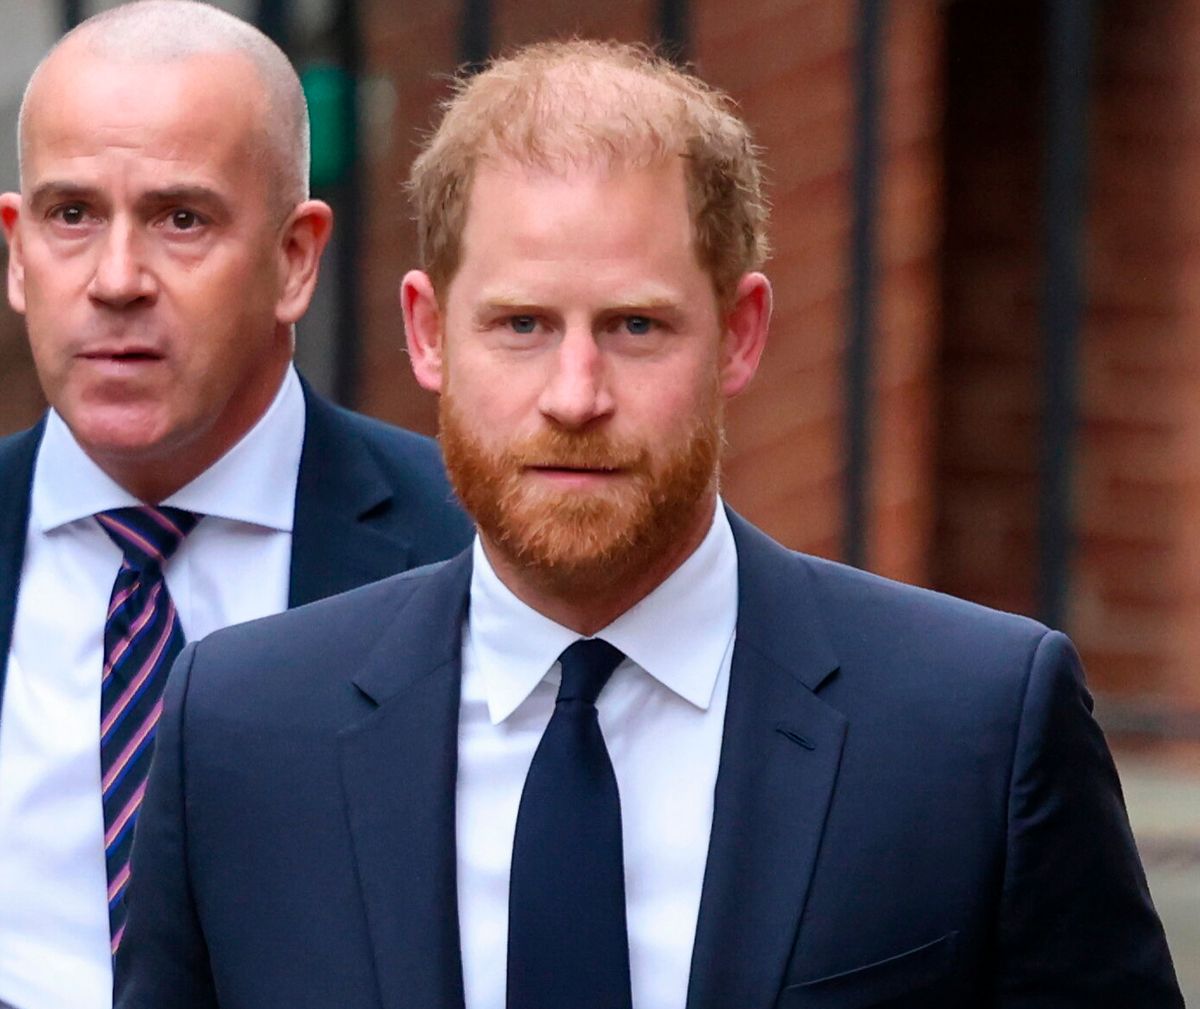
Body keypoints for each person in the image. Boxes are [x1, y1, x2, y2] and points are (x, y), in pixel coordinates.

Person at [114, 39, 1182, 1009]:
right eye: (522, 324)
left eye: (635, 325)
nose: (576, 395)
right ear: (429, 334)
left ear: (740, 333)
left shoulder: (974, 726)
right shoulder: (242, 730)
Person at [0, 3, 471, 1007]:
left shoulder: (467, 551)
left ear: (296, 258)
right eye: (72, 215)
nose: (115, 280)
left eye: (182, 218)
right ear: (15, 248)